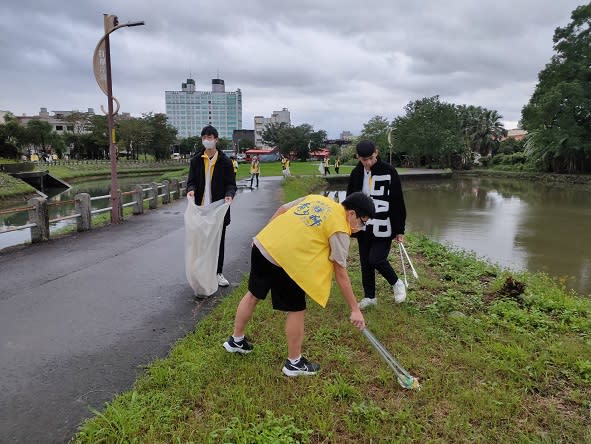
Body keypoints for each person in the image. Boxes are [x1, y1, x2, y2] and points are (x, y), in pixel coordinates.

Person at [223, 192, 375, 376]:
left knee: (253, 294)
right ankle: (294, 363)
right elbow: (341, 272)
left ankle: (236, 340)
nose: (361, 227)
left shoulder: (317, 199)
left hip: (264, 245)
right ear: (351, 214)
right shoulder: (340, 229)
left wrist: (264, 235)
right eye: (362, 222)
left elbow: (282, 210)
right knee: (296, 309)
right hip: (286, 260)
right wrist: (354, 309)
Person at [346, 140, 407, 309]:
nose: (368, 163)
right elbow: (349, 201)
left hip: (383, 225)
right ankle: (370, 297)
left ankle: (397, 283)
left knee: (376, 259)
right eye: (363, 159)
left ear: (376, 153)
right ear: (358, 157)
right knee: (365, 262)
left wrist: (399, 229)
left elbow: (397, 201)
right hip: (363, 226)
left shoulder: (389, 171)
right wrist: (350, 225)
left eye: (371, 158)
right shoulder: (356, 173)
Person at [186, 125, 237, 288]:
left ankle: (218, 273)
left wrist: (229, 194)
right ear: (202, 139)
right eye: (205, 137)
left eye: (210, 137)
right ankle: (201, 272)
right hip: (201, 210)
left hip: (218, 210)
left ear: (216, 140)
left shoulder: (225, 162)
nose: (207, 140)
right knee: (200, 242)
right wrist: (191, 190)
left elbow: (231, 184)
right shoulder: (195, 161)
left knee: (218, 241)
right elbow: (191, 182)